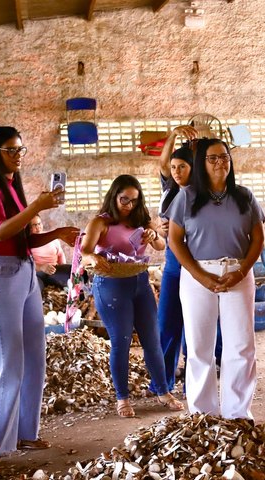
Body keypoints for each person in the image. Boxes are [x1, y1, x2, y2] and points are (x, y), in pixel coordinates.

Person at [0, 126, 78, 475]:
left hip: (25, 273)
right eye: (10, 150)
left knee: (35, 355)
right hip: (0, 277)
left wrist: (57, 232)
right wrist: (38, 205)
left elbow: (25, 240)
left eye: (21, 149)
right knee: (7, 362)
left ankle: (25, 433)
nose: (18, 155)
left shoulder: (12, 188)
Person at [167, 138, 264, 419]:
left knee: (241, 344)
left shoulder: (244, 196)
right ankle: (203, 414)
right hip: (198, 275)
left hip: (238, 273)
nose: (221, 162)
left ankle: (238, 413)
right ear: (202, 164)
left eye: (224, 157)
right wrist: (201, 276)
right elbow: (175, 241)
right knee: (199, 346)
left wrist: (242, 271)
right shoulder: (187, 197)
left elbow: (257, 239)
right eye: (213, 158)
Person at [80, 174, 183, 418]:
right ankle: (122, 398)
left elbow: (159, 246)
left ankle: (163, 390)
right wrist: (93, 257)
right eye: (124, 200)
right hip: (111, 286)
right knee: (121, 342)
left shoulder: (141, 220)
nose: (128, 205)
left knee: (152, 340)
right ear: (113, 197)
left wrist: (154, 236)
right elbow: (85, 250)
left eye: (134, 201)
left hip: (140, 283)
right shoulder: (100, 222)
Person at [154, 125, 197, 393]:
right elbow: (162, 162)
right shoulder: (170, 189)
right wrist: (172, 135)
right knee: (167, 323)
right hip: (172, 264)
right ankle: (163, 382)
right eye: (174, 167)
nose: (177, 172)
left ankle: (192, 384)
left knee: (194, 327)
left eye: (182, 166)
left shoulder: (202, 194)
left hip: (195, 263)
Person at [29, 214, 71, 290]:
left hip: (54, 271)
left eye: (39, 223)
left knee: (73, 273)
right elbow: (25, 263)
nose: (38, 227)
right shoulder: (26, 242)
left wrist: (63, 268)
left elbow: (60, 254)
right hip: (37, 274)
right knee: (34, 288)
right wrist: (41, 267)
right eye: (34, 225)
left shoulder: (51, 238)